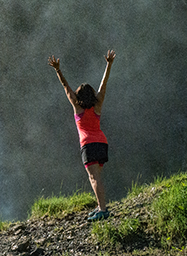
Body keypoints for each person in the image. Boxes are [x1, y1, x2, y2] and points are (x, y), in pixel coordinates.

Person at [48, 50, 116, 221]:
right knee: (96, 176)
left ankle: (102, 209)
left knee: (94, 178)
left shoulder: (78, 109)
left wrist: (58, 69)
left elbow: (66, 87)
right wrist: (109, 64)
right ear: (92, 94)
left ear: (78, 95)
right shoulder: (97, 105)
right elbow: (103, 84)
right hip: (102, 142)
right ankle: (100, 206)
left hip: (89, 144)